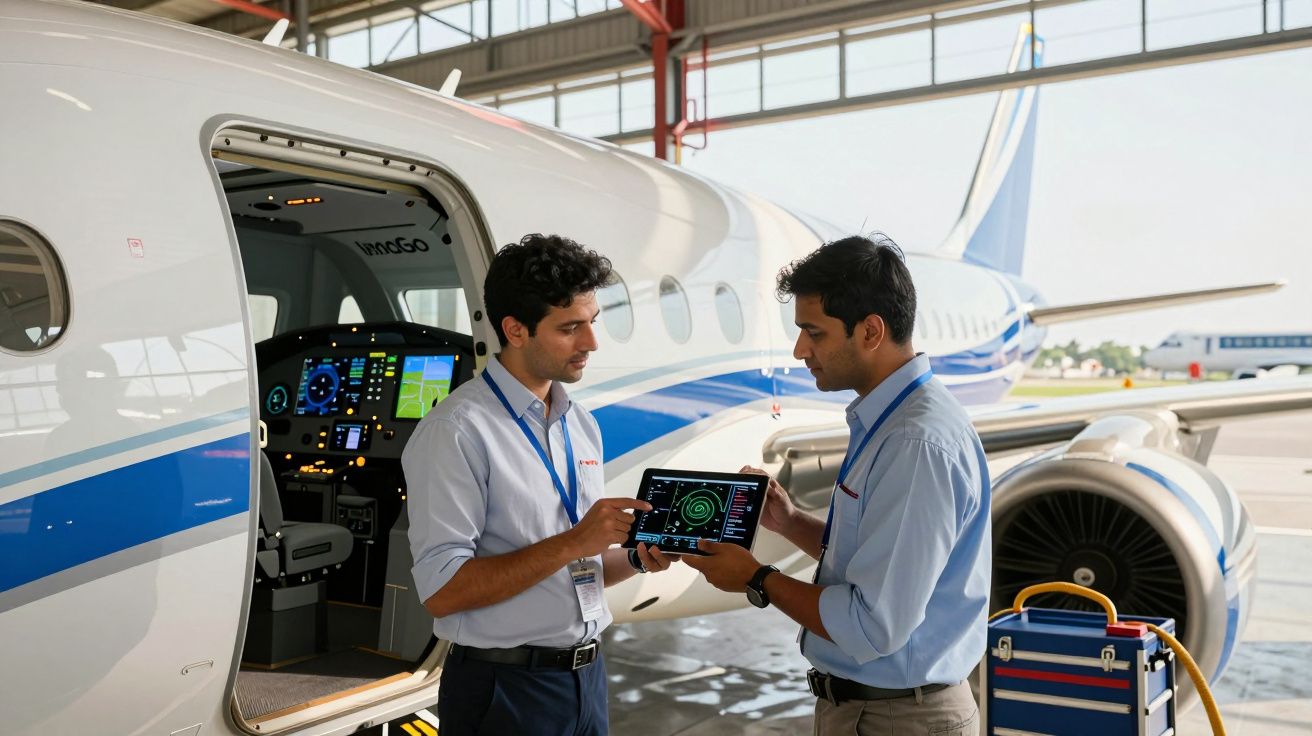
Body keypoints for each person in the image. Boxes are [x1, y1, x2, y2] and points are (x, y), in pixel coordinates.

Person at [685, 234, 990, 736]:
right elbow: (876, 559)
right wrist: (789, 522)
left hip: (898, 717)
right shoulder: (889, 419)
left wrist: (756, 578)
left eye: (815, 333)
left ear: (870, 330)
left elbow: (872, 625)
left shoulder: (914, 443)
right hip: (879, 708)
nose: (800, 348)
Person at [402, 233, 678, 736]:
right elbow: (442, 592)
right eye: (570, 328)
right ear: (516, 329)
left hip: (587, 680)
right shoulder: (456, 431)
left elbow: (575, 565)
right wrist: (577, 540)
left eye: (592, 323)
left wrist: (636, 557)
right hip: (503, 689)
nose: (591, 343)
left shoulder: (580, 422)